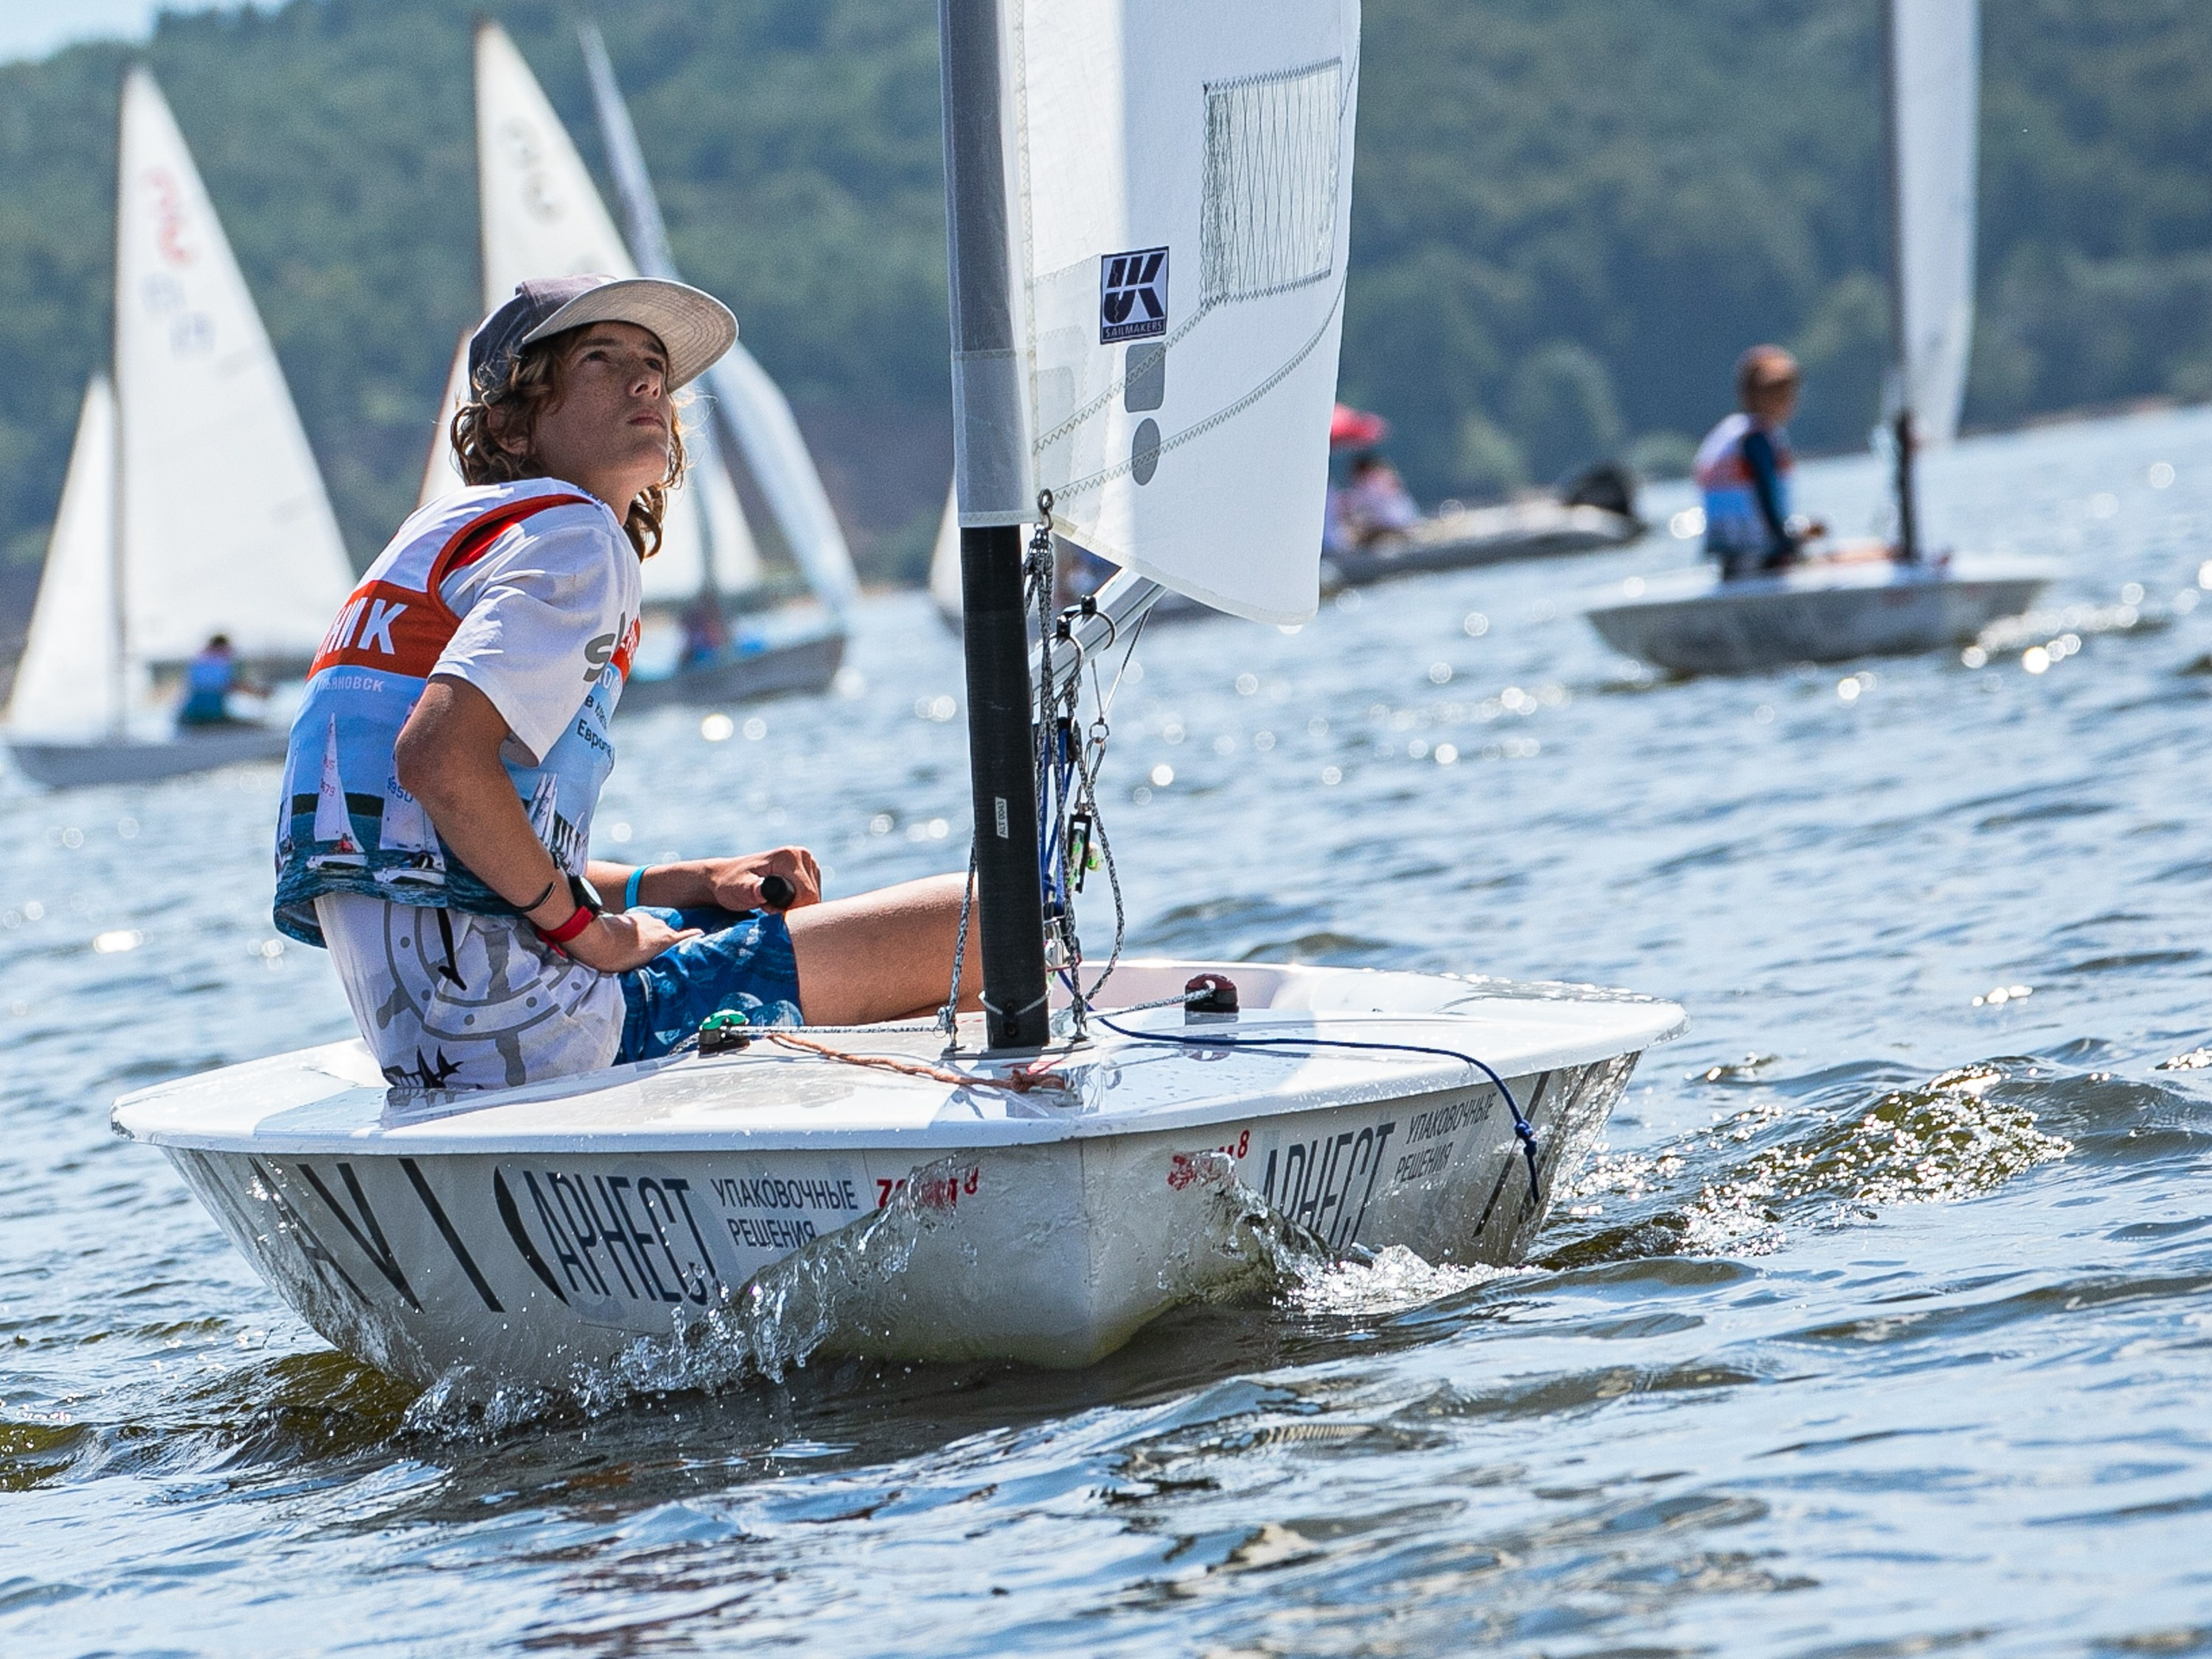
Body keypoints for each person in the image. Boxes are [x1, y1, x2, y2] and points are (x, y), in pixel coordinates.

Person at [272, 274, 978, 1091]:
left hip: (433, 1043)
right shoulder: (575, 537)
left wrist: (673, 884)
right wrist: (590, 933)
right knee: (998, 925)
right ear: (508, 422)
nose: (646, 379)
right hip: (543, 1032)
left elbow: (442, 841)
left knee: (725, 908)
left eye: (653, 363)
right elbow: (438, 762)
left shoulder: (433, 542)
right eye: (601, 360)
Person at [1695, 346, 1827, 582]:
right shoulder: (1758, 441)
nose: (1783, 397)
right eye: (1772, 389)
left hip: (1730, 561)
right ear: (1749, 394)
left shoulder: (1727, 433)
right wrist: (1795, 543)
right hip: (1760, 563)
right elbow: (1769, 511)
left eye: (1787, 388)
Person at [1338, 452, 1421, 545]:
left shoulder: (1369, 483)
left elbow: (1356, 505)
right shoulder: (1388, 477)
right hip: (1409, 522)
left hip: (1390, 528)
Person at [177, 634, 244, 727]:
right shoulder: (220, 663)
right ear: (222, 647)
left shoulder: (197, 662)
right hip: (211, 716)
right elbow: (233, 685)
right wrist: (260, 693)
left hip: (189, 715)